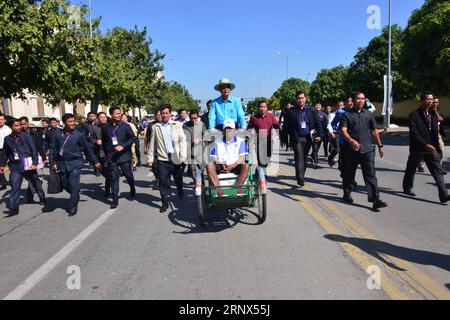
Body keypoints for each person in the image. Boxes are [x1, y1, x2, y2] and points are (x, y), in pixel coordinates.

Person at [340, 92, 388, 211]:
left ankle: (375, 200)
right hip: (351, 150)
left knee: (370, 175)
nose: (360, 101)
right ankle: (347, 193)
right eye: (358, 99)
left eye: (362, 99)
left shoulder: (368, 114)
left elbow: (374, 131)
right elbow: (343, 130)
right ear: (353, 100)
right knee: (349, 174)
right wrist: (351, 140)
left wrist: (380, 145)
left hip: (367, 150)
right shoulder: (347, 115)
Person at [403, 92, 449, 205]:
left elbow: (434, 131)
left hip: (432, 148)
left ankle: (444, 195)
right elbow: (414, 133)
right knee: (411, 169)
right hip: (418, 148)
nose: (430, 101)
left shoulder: (433, 114)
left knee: (437, 171)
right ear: (421, 100)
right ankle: (407, 188)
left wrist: (437, 147)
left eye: (432, 99)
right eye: (428, 99)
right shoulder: (414, 115)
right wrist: (425, 145)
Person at [50, 114, 101, 216]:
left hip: (75, 163)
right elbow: (53, 150)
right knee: (64, 183)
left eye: (74, 121)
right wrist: (53, 163)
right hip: (62, 163)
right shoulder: (57, 134)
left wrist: (95, 161)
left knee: (74, 185)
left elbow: (87, 149)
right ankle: (75, 194)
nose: (73, 123)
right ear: (64, 123)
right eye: (70, 121)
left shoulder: (78, 134)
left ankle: (73, 206)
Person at [0, 118, 46, 217]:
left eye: (19, 125)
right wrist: (2, 165)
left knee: (36, 183)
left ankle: (42, 198)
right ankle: (14, 208)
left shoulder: (26, 136)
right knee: (15, 187)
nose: (19, 127)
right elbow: (5, 153)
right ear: (11, 127)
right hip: (15, 166)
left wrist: (34, 163)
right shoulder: (7, 139)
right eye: (16, 125)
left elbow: (34, 150)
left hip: (28, 165)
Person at [147, 104, 187, 213]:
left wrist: (183, 155)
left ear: (170, 114)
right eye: (163, 113)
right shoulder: (156, 127)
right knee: (162, 181)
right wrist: (150, 158)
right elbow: (152, 143)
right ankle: (164, 203)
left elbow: (182, 140)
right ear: (160, 114)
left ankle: (180, 190)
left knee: (178, 178)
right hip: (162, 159)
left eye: (167, 113)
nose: (165, 115)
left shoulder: (177, 125)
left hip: (175, 157)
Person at [281, 92, 323, 187]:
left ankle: (300, 175)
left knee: (304, 157)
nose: (301, 100)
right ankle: (300, 178)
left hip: (308, 137)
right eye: (299, 98)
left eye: (302, 98)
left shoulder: (311, 110)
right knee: (299, 156)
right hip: (297, 138)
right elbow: (285, 126)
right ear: (296, 100)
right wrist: (284, 139)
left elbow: (318, 123)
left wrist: (320, 134)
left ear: (305, 99)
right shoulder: (291, 112)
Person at [102, 107, 137, 209]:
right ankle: (115, 199)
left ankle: (132, 187)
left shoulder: (125, 126)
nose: (118, 115)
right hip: (112, 157)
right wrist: (107, 155)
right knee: (113, 178)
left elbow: (133, 138)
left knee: (128, 175)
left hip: (124, 156)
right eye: (116, 113)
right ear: (111, 115)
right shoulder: (105, 128)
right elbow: (104, 143)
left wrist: (123, 146)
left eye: (120, 114)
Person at [207, 119, 250, 189]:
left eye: (230, 129)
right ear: (223, 131)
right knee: (209, 166)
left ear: (234, 130)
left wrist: (233, 166)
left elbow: (242, 157)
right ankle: (218, 190)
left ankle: (236, 189)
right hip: (221, 166)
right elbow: (214, 157)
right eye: (226, 129)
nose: (228, 131)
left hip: (235, 165)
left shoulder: (241, 142)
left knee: (246, 165)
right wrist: (221, 164)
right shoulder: (216, 142)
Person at [248, 100, 281, 167]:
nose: (262, 108)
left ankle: (262, 172)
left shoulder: (271, 116)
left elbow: (277, 127)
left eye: (264, 107)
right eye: (260, 107)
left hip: (269, 141)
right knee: (260, 160)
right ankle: (262, 175)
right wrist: (247, 140)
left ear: (267, 108)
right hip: (258, 142)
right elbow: (248, 130)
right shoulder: (254, 118)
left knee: (267, 159)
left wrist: (281, 137)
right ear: (258, 108)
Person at [184, 110, 207, 182]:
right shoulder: (185, 125)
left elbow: (206, 136)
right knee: (192, 170)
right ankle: (197, 182)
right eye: (191, 118)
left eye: (195, 118)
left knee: (202, 169)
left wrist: (199, 139)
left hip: (200, 151)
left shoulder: (201, 125)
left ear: (197, 117)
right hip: (189, 151)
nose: (193, 120)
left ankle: (202, 184)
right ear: (189, 117)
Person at [92, 112, 111, 196]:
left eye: (104, 117)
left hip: (109, 153)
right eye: (101, 117)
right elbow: (90, 139)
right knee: (103, 171)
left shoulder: (111, 127)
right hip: (99, 153)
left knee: (108, 172)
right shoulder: (95, 128)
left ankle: (107, 190)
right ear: (98, 118)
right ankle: (109, 180)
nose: (103, 119)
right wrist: (96, 141)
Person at [144, 110, 162, 190]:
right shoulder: (151, 125)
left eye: (160, 115)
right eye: (157, 115)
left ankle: (162, 181)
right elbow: (146, 137)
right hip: (153, 148)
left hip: (164, 149)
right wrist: (145, 147)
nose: (159, 116)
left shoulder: (165, 124)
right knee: (154, 166)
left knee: (164, 167)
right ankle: (158, 179)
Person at [310, 103, 328, 169]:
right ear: (314, 106)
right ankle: (316, 162)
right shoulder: (311, 114)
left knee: (317, 148)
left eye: (319, 105)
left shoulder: (323, 114)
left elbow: (327, 123)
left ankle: (312, 156)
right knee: (315, 148)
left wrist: (325, 132)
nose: (317, 107)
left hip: (321, 133)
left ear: (321, 107)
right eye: (316, 105)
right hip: (313, 133)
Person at [0, 113, 12, 190]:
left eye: (1, 119)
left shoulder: (8, 130)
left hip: (6, 150)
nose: (0, 121)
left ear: (5, 120)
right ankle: (3, 183)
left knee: (11, 167)